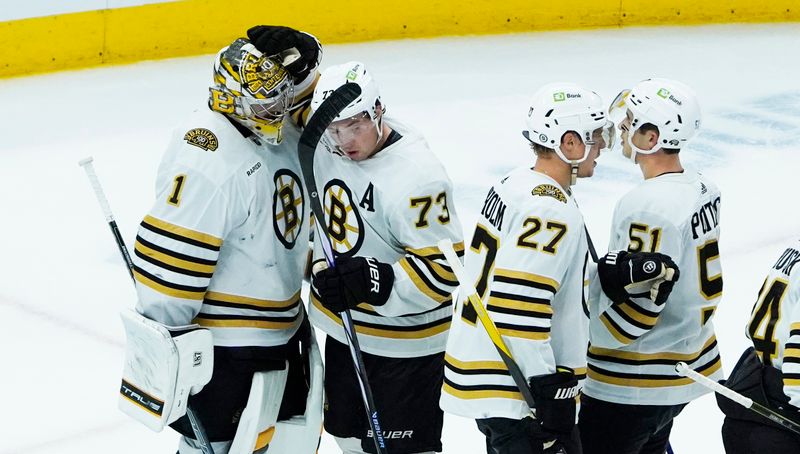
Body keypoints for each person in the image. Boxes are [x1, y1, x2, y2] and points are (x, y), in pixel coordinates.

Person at [117, 28, 326, 453]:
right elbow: (169, 274)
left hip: (282, 333)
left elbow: (311, 103)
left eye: (283, 96)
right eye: (269, 102)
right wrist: (174, 353)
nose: (281, 108)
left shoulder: (261, 124)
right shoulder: (209, 158)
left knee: (279, 443)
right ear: (232, 97)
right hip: (226, 351)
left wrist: (304, 56)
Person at [440, 82, 651, 454]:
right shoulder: (549, 210)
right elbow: (519, 305)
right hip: (517, 391)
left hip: (494, 378)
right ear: (569, 143)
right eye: (595, 136)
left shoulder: (518, 183)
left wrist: (607, 280)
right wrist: (547, 392)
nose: (601, 145)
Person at [307, 61, 464, 454]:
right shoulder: (322, 144)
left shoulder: (418, 178)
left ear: (378, 110)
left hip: (407, 351)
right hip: (348, 333)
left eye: (355, 126)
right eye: (334, 129)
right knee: (344, 437)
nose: (344, 141)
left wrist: (375, 280)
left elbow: (445, 271)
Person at [579, 78, 722, 454]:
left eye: (630, 122)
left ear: (651, 136)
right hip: (684, 362)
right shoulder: (701, 187)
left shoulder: (646, 206)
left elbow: (641, 301)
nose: (622, 129)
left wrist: (589, 344)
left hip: (636, 377)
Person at [717, 238, 800, 453]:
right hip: (778, 428)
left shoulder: (795, 248)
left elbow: (755, 328)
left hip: (753, 399)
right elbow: (797, 373)